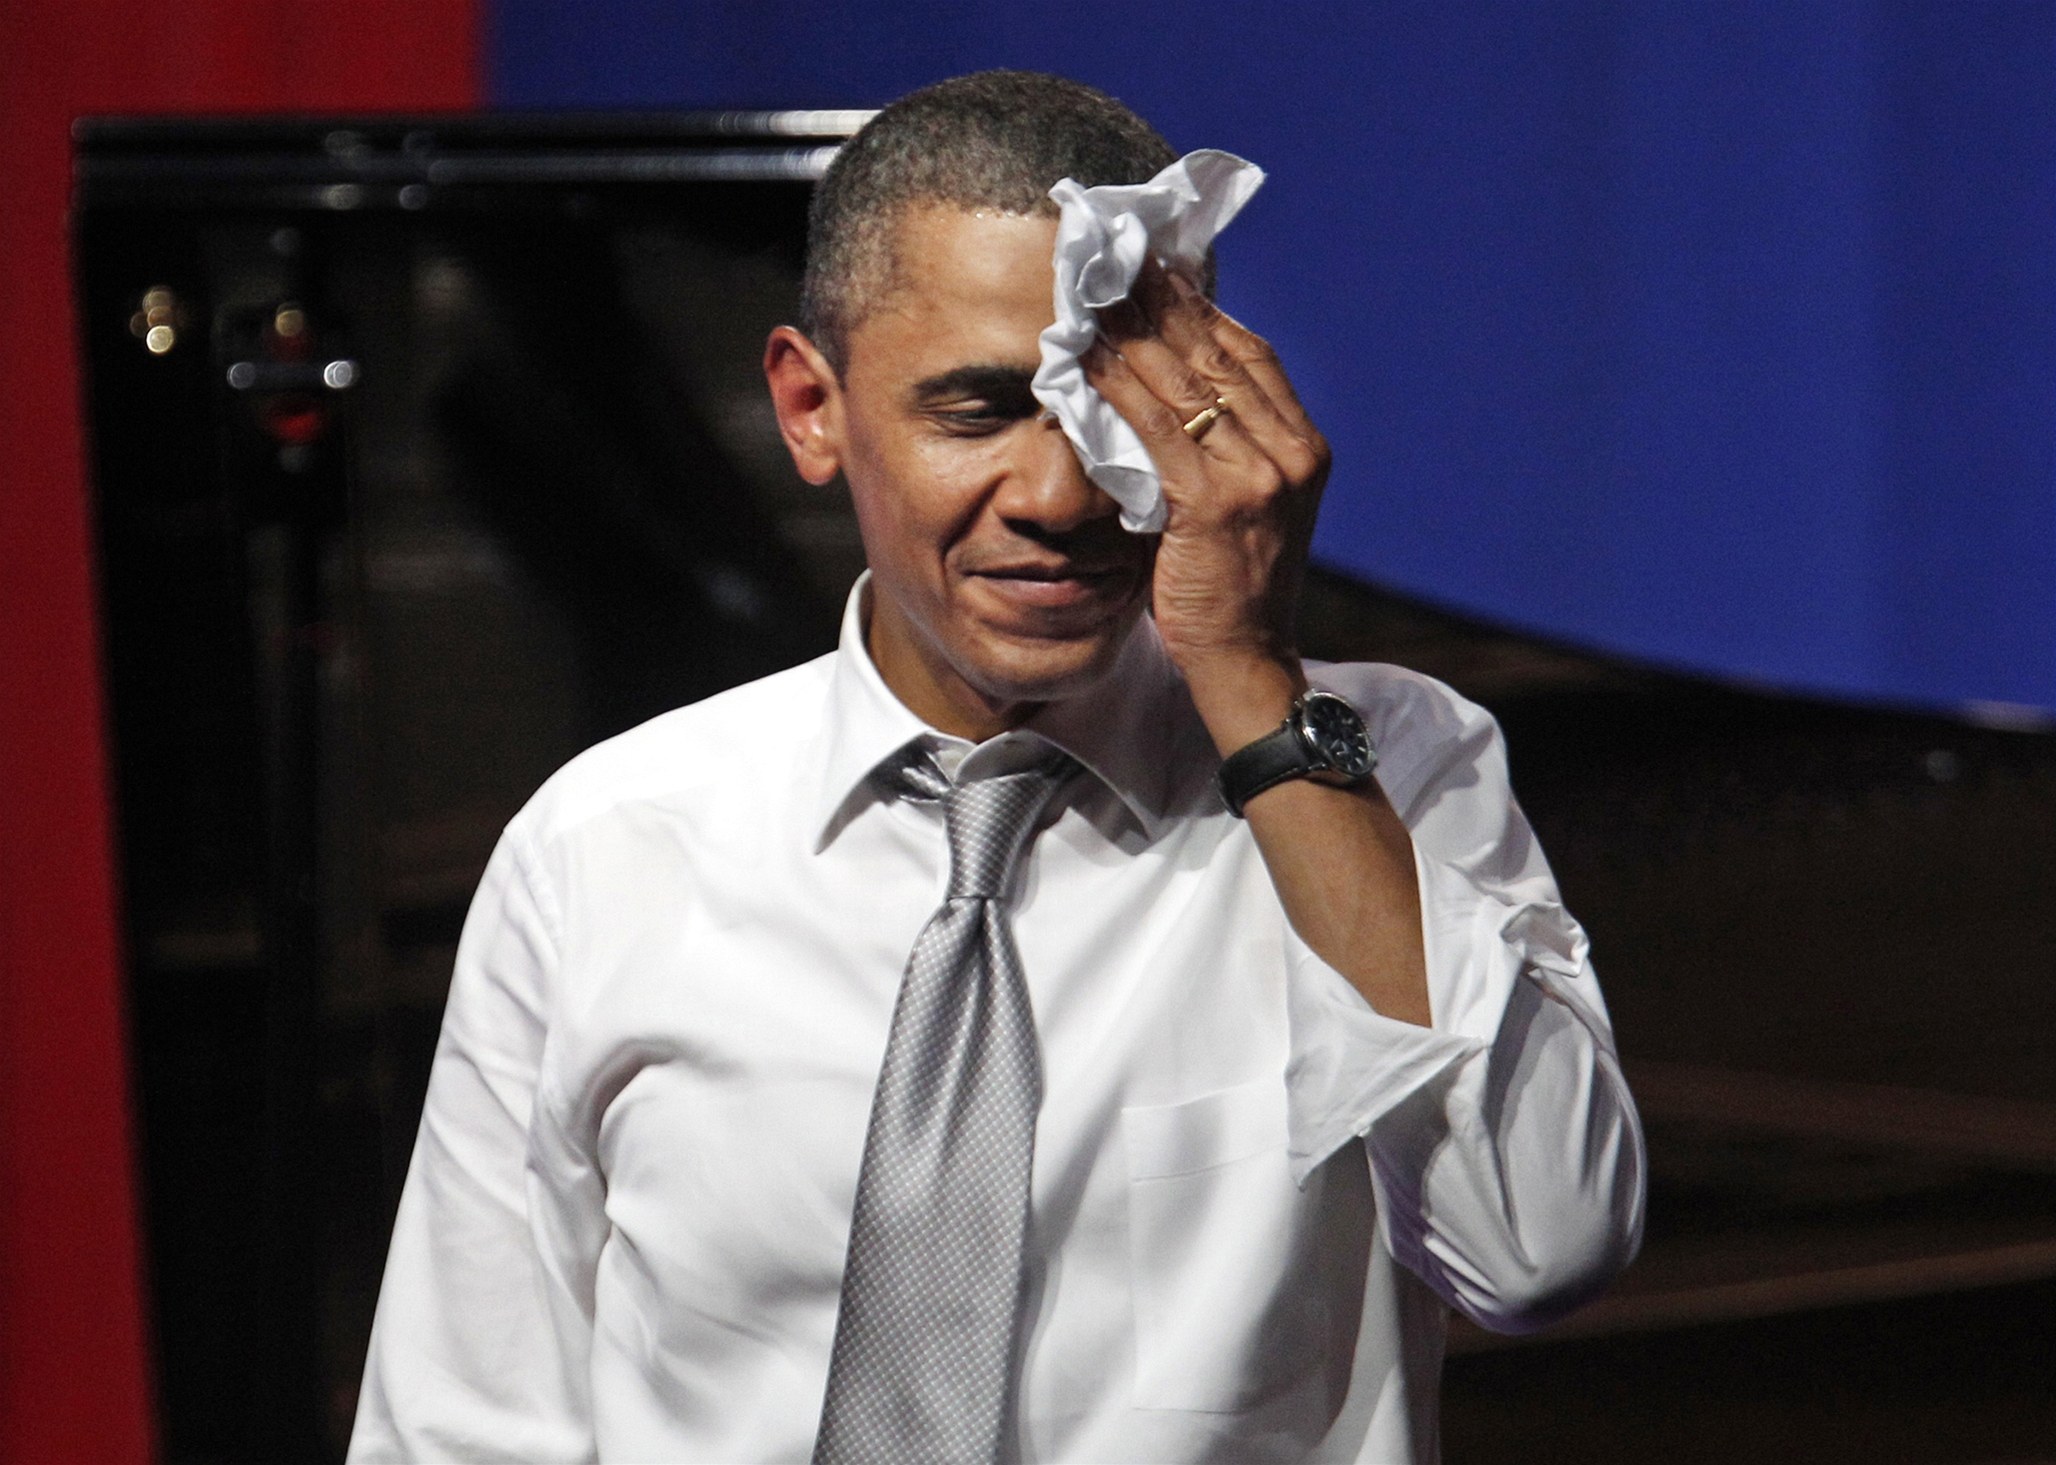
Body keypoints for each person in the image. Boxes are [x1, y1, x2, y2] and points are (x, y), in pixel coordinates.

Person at [349, 70, 1643, 1464]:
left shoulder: (1387, 771)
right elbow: (460, 1431)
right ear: (811, 406)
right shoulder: (605, 846)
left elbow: (1540, 1247)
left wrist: (1252, 681)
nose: (1060, 496)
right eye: (976, 411)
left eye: (1115, 416)